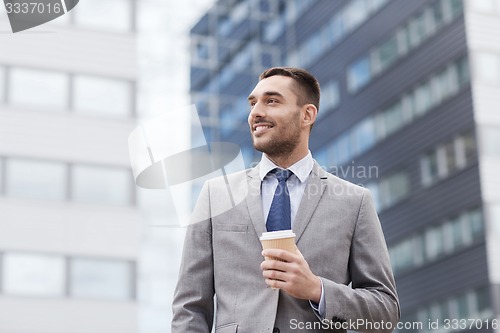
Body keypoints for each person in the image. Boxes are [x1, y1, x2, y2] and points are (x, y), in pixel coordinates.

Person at [172, 67, 400, 333]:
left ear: (307, 115)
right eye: (253, 102)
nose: (255, 112)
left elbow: (385, 312)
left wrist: (317, 289)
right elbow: (189, 307)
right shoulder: (216, 195)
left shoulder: (354, 201)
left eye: (272, 101)